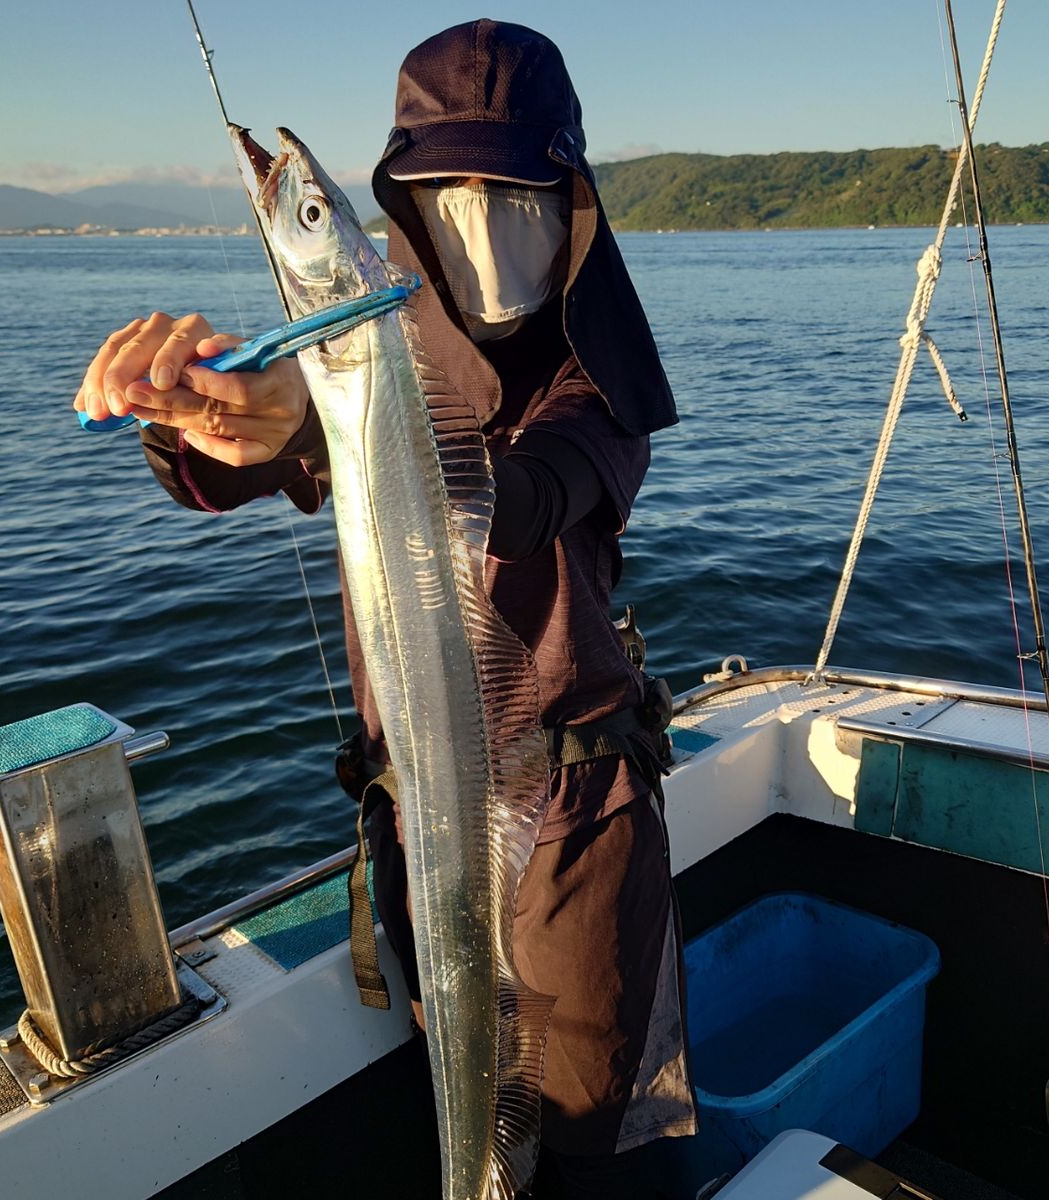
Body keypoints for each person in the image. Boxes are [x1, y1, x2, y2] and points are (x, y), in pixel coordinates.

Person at [75, 19, 695, 1199]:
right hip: (422, 827)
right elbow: (236, 462)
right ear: (398, 207)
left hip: (581, 836)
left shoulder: (601, 380)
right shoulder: (362, 357)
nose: (478, 219)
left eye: (513, 189)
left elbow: (514, 500)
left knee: (601, 1133)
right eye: (445, 187)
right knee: (471, 1110)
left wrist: (323, 423)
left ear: (569, 202)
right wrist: (193, 420)